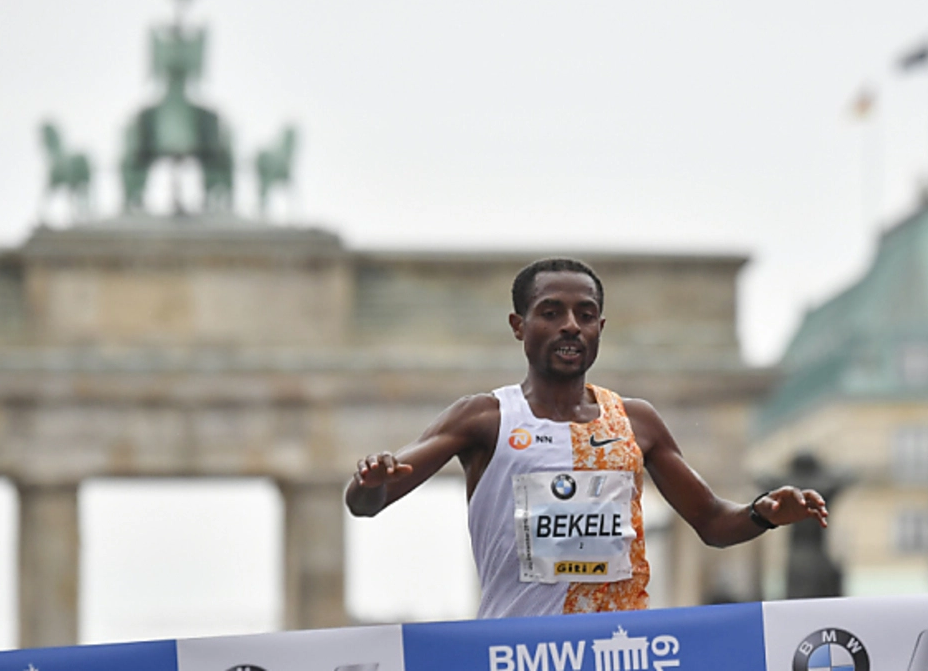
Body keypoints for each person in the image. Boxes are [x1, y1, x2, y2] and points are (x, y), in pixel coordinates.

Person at [345, 257, 828, 618]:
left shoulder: (636, 422)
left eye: (586, 314)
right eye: (551, 312)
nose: (571, 326)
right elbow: (368, 502)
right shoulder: (486, 417)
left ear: (600, 327)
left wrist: (763, 512)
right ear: (518, 326)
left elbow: (712, 521)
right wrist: (371, 482)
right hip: (517, 653)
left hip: (616, 649)